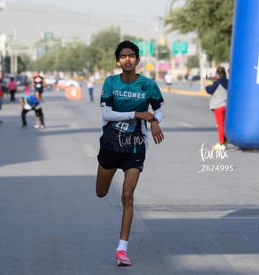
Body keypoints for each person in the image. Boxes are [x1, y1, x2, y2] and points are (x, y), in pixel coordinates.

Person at [95, 40, 164, 267]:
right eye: (123, 56)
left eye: (131, 55)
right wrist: (136, 114)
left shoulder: (148, 85)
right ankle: (105, 181)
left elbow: (158, 110)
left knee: (127, 196)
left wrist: (154, 120)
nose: (127, 59)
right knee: (102, 192)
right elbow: (106, 114)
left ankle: (121, 250)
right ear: (118, 61)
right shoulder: (111, 82)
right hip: (111, 145)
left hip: (135, 146)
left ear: (137, 60)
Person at [204, 66, 229, 151]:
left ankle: (221, 143)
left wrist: (206, 84)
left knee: (220, 125)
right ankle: (225, 141)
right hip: (227, 106)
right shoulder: (228, 82)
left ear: (217, 74)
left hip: (219, 106)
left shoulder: (217, 83)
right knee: (225, 124)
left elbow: (209, 90)